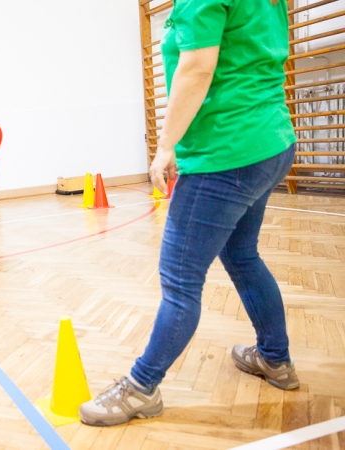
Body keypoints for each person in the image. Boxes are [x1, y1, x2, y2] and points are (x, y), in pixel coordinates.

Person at [79, 0, 298, 427]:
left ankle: (141, 388)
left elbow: (197, 69)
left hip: (226, 155)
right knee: (242, 255)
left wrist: (165, 147)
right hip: (270, 142)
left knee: (180, 282)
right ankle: (275, 358)